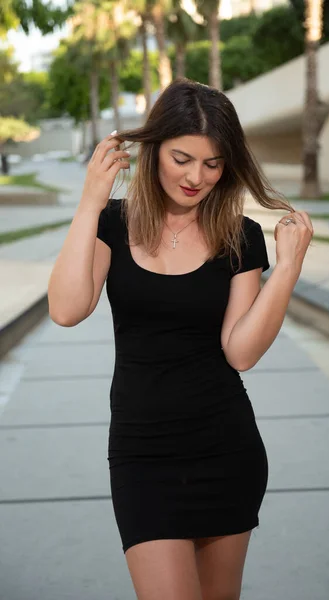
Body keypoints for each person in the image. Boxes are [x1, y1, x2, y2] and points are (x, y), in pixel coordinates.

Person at [47, 77, 313, 600]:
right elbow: (66, 309)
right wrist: (90, 201)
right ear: (153, 151)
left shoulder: (241, 236)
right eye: (182, 158)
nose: (197, 176)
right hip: (143, 454)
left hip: (225, 448)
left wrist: (288, 269)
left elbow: (240, 352)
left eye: (212, 164)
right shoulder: (111, 224)